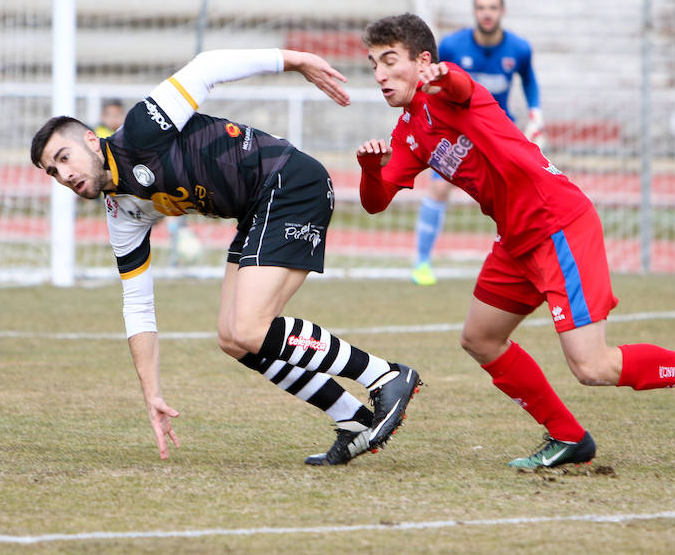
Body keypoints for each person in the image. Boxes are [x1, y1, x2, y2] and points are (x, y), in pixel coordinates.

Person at [356, 13, 675, 469]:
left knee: (592, 367)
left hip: (557, 224)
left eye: (389, 60)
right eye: (373, 63)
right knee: (480, 339)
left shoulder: (450, 90)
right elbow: (376, 202)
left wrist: (443, 76)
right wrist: (369, 169)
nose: (379, 74)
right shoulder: (409, 132)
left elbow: (457, 84)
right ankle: (568, 438)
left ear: (422, 61)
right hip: (516, 238)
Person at [30, 48, 421, 466]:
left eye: (63, 157)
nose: (63, 174)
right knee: (234, 340)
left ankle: (384, 375)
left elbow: (208, 67)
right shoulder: (121, 213)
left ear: (91, 139)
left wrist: (295, 61)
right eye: (52, 171)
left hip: (291, 182)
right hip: (257, 207)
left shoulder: (141, 131)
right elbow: (138, 305)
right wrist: (152, 395)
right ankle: (351, 418)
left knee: (251, 329)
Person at [411, 0, 544, 286]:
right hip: (459, 133)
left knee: (516, 196)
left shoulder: (519, 49)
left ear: (502, 11)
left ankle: (525, 260)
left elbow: (530, 81)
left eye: (493, 7)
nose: (487, 13)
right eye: (482, 7)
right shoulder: (453, 45)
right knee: (439, 189)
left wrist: (536, 113)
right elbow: (432, 80)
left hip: (500, 133)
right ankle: (421, 262)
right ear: (475, 11)